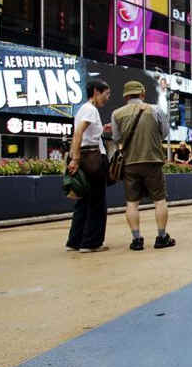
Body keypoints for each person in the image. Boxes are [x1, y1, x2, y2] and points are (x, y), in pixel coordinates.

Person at [110, 80, 175, 250]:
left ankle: (137, 240)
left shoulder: (116, 114)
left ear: (125, 96)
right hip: (153, 161)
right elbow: (165, 132)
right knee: (159, 200)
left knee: (132, 203)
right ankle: (161, 237)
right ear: (143, 94)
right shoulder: (155, 110)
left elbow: (116, 139)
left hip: (130, 163)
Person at [66, 79, 111, 253]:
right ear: (96, 92)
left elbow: (81, 134)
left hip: (85, 158)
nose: (107, 98)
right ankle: (91, 242)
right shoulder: (90, 109)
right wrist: (75, 159)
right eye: (106, 94)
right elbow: (78, 133)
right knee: (97, 202)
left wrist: (74, 157)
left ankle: (75, 241)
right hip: (92, 159)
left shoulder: (84, 109)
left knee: (83, 202)